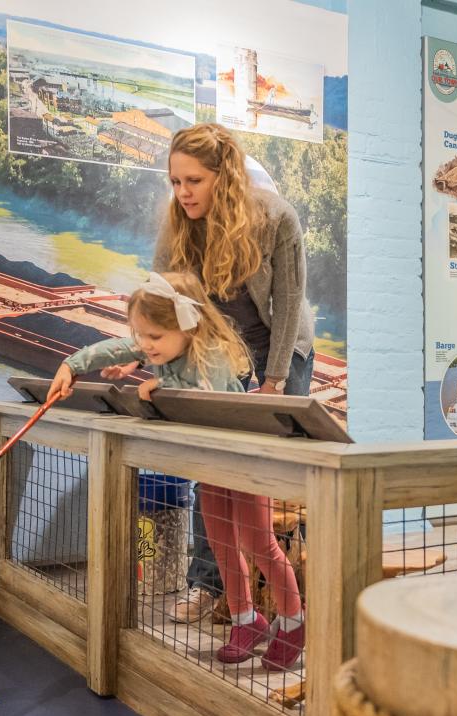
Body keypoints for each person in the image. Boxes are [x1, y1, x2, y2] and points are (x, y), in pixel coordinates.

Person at [103, 123, 316, 625]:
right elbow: (157, 299)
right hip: (219, 356)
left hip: (277, 350)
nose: (183, 193)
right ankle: (211, 586)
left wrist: (274, 384)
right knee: (211, 473)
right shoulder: (178, 223)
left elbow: (287, 306)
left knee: (257, 479)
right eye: (175, 182)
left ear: (226, 176)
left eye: (194, 181)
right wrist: (138, 352)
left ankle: (285, 603)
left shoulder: (275, 219)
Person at [50, 271, 305, 670]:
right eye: (141, 335)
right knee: (221, 545)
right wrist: (71, 365)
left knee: (259, 545)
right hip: (209, 464)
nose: (145, 346)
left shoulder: (213, 356)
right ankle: (245, 619)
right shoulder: (161, 352)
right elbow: (116, 349)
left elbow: (209, 401)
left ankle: (293, 622)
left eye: (154, 337)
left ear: (187, 327)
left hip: (245, 462)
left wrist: (159, 388)